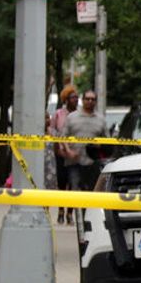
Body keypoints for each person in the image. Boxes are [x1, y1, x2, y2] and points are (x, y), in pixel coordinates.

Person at [62, 89, 109, 201]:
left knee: (92, 192)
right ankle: (77, 216)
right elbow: (62, 137)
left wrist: (100, 145)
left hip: (93, 162)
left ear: (96, 101)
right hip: (74, 161)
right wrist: (68, 151)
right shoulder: (72, 117)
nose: (90, 101)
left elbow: (107, 140)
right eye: (87, 99)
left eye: (92, 99)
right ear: (82, 100)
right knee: (75, 190)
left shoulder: (101, 119)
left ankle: (87, 216)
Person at [52, 86, 78, 223]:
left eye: (76, 98)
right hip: (61, 154)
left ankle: (70, 213)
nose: (76, 100)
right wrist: (58, 148)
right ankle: (61, 210)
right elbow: (53, 131)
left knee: (74, 183)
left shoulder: (80, 115)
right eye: (73, 97)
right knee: (62, 182)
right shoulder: (59, 114)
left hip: (75, 154)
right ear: (66, 99)